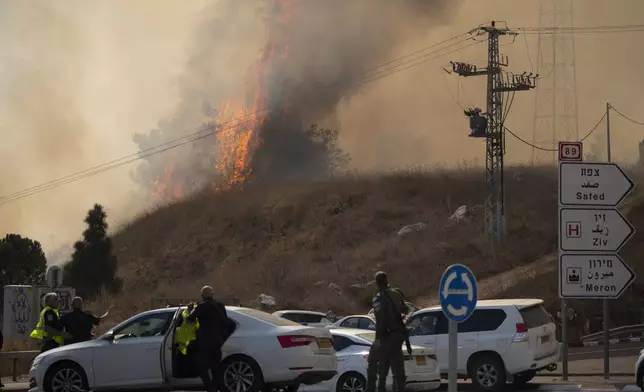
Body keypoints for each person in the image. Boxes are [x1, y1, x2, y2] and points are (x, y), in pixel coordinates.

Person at [366, 272, 410, 392]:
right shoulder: (396, 293)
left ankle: (371, 388)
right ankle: (399, 388)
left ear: (377, 282)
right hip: (398, 335)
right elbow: (406, 309)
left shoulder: (378, 297)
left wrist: (378, 339)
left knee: (373, 359)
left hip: (386, 335)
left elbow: (380, 320)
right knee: (396, 365)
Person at [186, 286, 236, 392]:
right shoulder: (220, 306)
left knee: (201, 367)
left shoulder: (201, 306)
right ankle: (217, 387)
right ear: (213, 294)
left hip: (205, 344)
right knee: (215, 367)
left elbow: (190, 319)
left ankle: (210, 388)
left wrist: (190, 309)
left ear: (202, 296)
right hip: (218, 342)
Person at [174, 302, 200, 377]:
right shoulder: (185, 314)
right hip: (185, 344)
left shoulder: (189, 315)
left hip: (189, 344)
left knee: (188, 362)